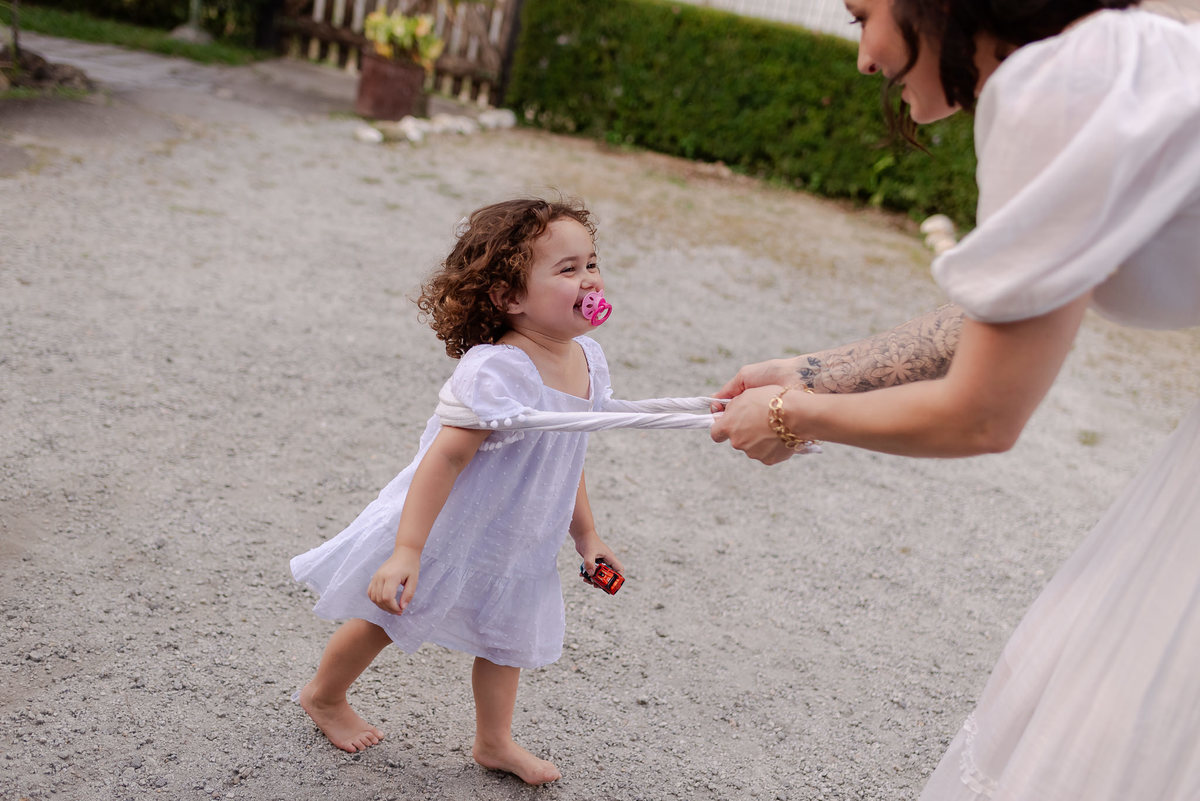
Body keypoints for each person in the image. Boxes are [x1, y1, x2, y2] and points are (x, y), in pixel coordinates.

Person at [710, 1, 1200, 799]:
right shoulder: (1112, 68)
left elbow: (983, 414)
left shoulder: (1057, 85)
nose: (865, 57)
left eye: (862, 16)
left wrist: (785, 414)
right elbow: (1008, 311)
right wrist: (816, 371)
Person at [290, 196, 626, 786]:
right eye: (567, 269)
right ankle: (323, 695)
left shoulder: (589, 360)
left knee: (507, 640)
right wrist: (407, 550)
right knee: (386, 615)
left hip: (520, 534)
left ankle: (494, 742)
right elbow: (444, 460)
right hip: (451, 524)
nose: (589, 279)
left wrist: (587, 535)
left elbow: (566, 455)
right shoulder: (498, 370)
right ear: (509, 298)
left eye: (591, 263)